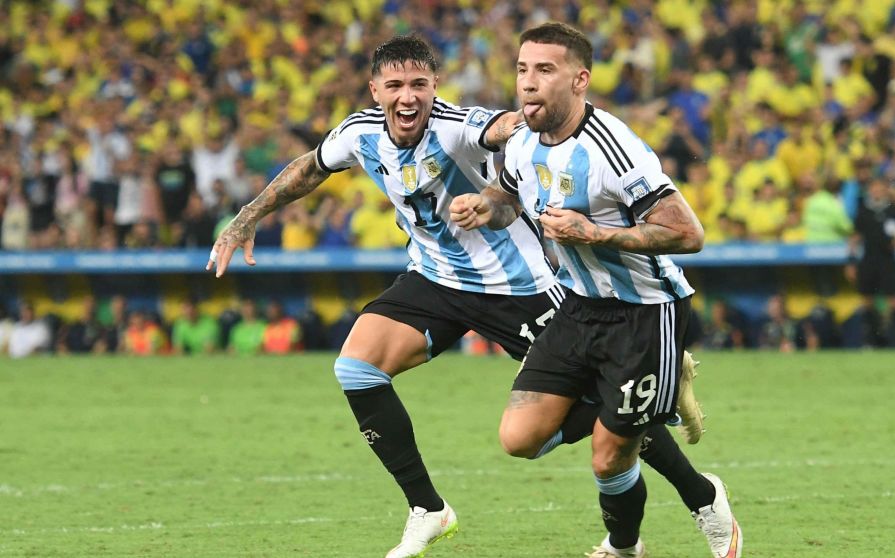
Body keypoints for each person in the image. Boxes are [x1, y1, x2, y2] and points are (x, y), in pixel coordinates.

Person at [209, 34, 707, 558]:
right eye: (395, 86)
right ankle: (428, 509)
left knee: (603, 404)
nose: (407, 97)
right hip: (435, 279)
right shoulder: (359, 133)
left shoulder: (456, 126)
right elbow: (311, 166)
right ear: (375, 90)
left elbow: (502, 126)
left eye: (419, 85)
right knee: (356, 369)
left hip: (517, 285)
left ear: (435, 87)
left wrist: (531, 115)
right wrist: (246, 218)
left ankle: (692, 479)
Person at [450, 23, 741, 558]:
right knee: (519, 439)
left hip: (644, 312)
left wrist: (596, 232)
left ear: (579, 80)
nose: (528, 82)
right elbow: (508, 195)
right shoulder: (521, 140)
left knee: (610, 456)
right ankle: (658, 399)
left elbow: (687, 233)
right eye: (522, 69)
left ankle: (642, 537)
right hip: (578, 305)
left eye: (545, 70)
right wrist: (484, 207)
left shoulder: (613, 148)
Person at [845, 178, 895, 346]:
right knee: (867, 301)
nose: (877, 191)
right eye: (874, 188)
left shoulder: (894, 210)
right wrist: (850, 261)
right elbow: (855, 237)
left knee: (893, 300)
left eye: (880, 188)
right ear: (870, 191)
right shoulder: (864, 210)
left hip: (888, 260)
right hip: (869, 260)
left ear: (885, 190)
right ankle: (872, 340)